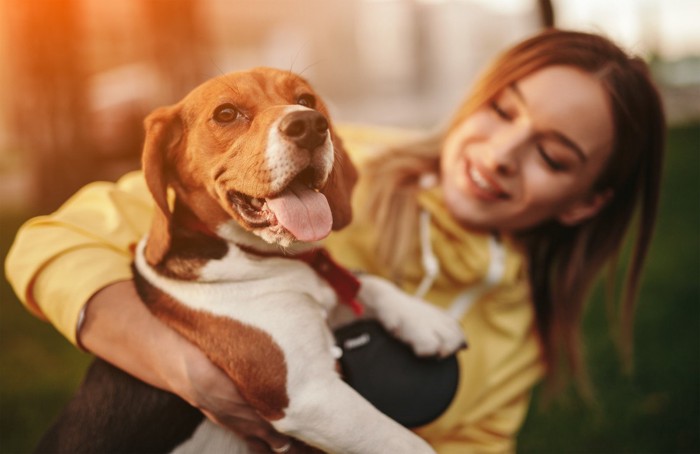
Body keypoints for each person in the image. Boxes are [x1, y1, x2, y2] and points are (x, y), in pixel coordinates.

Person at [5, 29, 665, 453]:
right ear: (476, 98)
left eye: (552, 155)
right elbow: (46, 243)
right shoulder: (361, 160)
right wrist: (185, 368)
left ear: (586, 202)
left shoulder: (522, 340)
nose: (499, 156)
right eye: (502, 111)